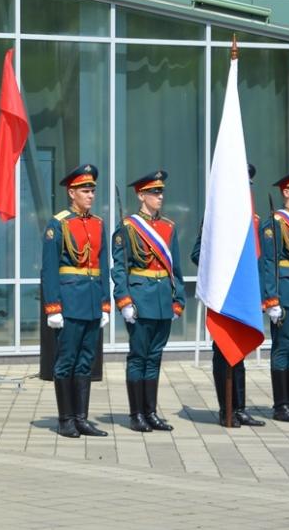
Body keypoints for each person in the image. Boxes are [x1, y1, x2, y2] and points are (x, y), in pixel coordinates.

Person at [111, 170, 185, 433]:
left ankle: (151, 412)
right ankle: (136, 414)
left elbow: (175, 267)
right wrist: (124, 300)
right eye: (154, 192)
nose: (160, 196)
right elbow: (119, 268)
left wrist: (179, 299)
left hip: (163, 300)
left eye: (161, 192)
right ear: (141, 195)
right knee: (139, 357)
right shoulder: (128, 228)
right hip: (140, 299)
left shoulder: (168, 227)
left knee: (154, 357)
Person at [192, 163, 264, 428]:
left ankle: (241, 408)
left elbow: (258, 260)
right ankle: (227, 409)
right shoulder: (216, 219)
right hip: (223, 294)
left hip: (243, 295)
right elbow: (198, 253)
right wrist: (220, 269)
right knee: (223, 353)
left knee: (240, 351)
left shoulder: (251, 220)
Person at [41, 164, 110, 438]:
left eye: (92, 190)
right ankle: (65, 419)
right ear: (72, 193)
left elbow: (102, 265)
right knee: (66, 360)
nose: (90, 194)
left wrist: (105, 303)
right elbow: (49, 268)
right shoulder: (58, 224)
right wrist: (53, 307)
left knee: (86, 361)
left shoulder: (98, 223)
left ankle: (81, 418)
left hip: (92, 301)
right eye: (85, 190)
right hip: (69, 302)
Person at [259, 167, 289, 423]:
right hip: (284, 292)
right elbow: (269, 263)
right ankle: (281, 404)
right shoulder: (275, 222)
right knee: (283, 348)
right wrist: (271, 299)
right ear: (286, 192)